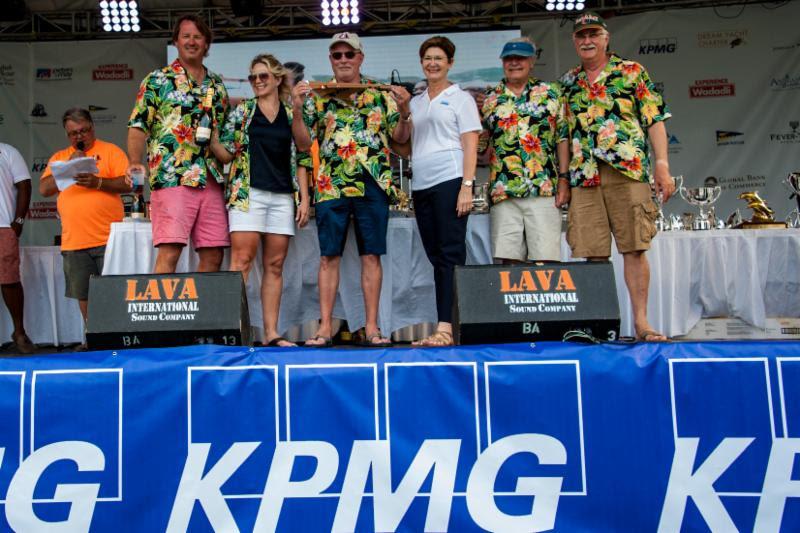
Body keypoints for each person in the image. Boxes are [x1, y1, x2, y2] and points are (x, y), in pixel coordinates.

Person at [556, 12, 675, 342]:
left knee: (634, 248)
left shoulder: (631, 71)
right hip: (585, 176)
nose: (587, 40)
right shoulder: (568, 82)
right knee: (592, 253)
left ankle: (642, 323)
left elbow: (654, 119)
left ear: (606, 38)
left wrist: (662, 164)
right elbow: (563, 135)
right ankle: (599, 326)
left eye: (593, 34)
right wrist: (563, 178)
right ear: (574, 41)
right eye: (581, 36)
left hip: (628, 171)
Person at [291, 32, 412, 347]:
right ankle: (324, 328)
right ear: (331, 59)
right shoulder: (318, 95)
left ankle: (372, 327)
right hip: (331, 185)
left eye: (349, 54)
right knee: (327, 257)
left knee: (371, 256)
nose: (343, 60)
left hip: (373, 183)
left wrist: (404, 111)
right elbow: (304, 144)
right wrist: (296, 109)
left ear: (360, 57)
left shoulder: (379, 93)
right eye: (337, 55)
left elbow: (400, 141)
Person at [209, 54, 311, 347]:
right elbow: (226, 153)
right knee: (240, 262)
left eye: (263, 76)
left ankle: (271, 332)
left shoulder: (291, 113)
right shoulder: (242, 112)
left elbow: (304, 149)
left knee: (275, 265)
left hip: (281, 196)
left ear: (278, 79)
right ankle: (233, 331)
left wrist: (304, 199)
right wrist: (211, 134)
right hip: (248, 193)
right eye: (253, 77)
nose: (257, 81)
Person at [127, 14, 230, 274]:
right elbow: (138, 126)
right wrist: (135, 162)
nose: (192, 41)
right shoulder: (157, 79)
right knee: (170, 251)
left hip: (211, 177)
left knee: (213, 253)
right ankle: (163, 313)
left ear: (207, 43)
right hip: (172, 175)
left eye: (198, 36)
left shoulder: (217, 85)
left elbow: (225, 132)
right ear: (175, 41)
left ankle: (203, 313)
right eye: (186, 36)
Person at [407, 36, 481, 347]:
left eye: (439, 58)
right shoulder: (416, 101)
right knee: (436, 257)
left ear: (450, 63)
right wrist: (399, 113)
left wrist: (467, 185)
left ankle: (447, 328)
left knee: (450, 254)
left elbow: (470, 143)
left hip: (450, 180)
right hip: (421, 185)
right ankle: (445, 326)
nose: (432, 63)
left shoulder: (461, 98)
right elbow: (403, 142)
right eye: (427, 58)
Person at [39, 108, 131, 332]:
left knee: (115, 290)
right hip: (75, 241)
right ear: (67, 135)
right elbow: (44, 189)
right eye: (73, 133)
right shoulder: (60, 158)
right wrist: (68, 168)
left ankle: (118, 335)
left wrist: (98, 183)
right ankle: (93, 335)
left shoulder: (111, 151)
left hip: (109, 238)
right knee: (84, 293)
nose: (79, 137)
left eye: (84, 131)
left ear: (92, 127)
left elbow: (129, 183)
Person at [481, 37, 565, 264]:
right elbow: (481, 146)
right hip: (504, 190)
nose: (514, 63)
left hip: (544, 188)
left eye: (520, 58)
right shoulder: (489, 99)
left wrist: (564, 179)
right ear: (502, 62)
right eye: (509, 58)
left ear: (532, 61)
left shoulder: (551, 93)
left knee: (546, 262)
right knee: (510, 265)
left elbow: (563, 139)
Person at [0, 142, 34, 354]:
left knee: (9, 280)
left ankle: (19, 332)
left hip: (3, 226)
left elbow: (25, 185)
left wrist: (19, 221)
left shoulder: (7, 151)